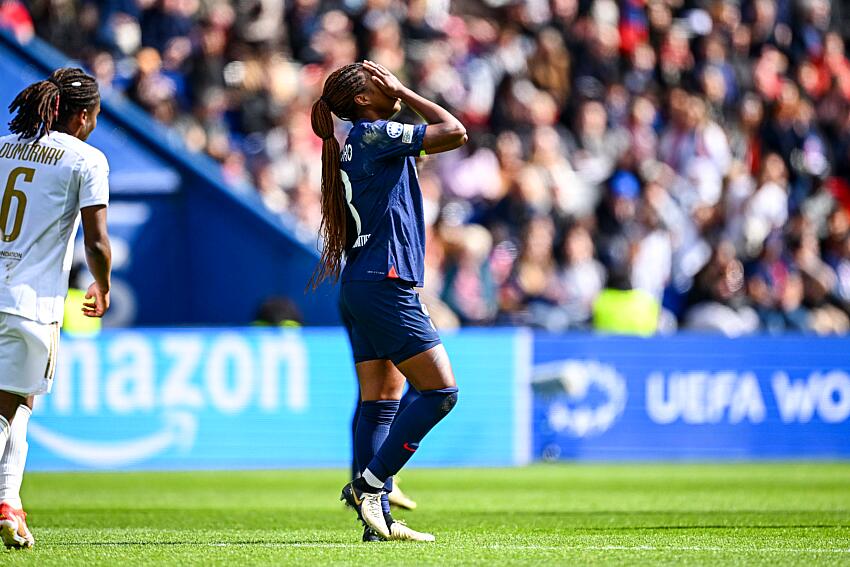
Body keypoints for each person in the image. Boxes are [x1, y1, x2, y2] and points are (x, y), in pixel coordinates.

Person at [309, 61, 466, 542]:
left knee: (381, 401)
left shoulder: (352, 144)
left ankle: (377, 524)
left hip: (360, 283)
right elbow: (455, 131)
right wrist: (406, 90)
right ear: (362, 100)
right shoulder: (374, 133)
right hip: (386, 282)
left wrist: (395, 92)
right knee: (440, 392)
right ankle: (372, 485)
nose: (390, 86)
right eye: (380, 83)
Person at [0, 68, 112, 548]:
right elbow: (98, 240)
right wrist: (102, 284)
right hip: (30, 302)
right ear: (84, 116)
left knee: (16, 403)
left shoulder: (3, 146)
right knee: (13, 405)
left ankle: (9, 503)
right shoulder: (86, 159)